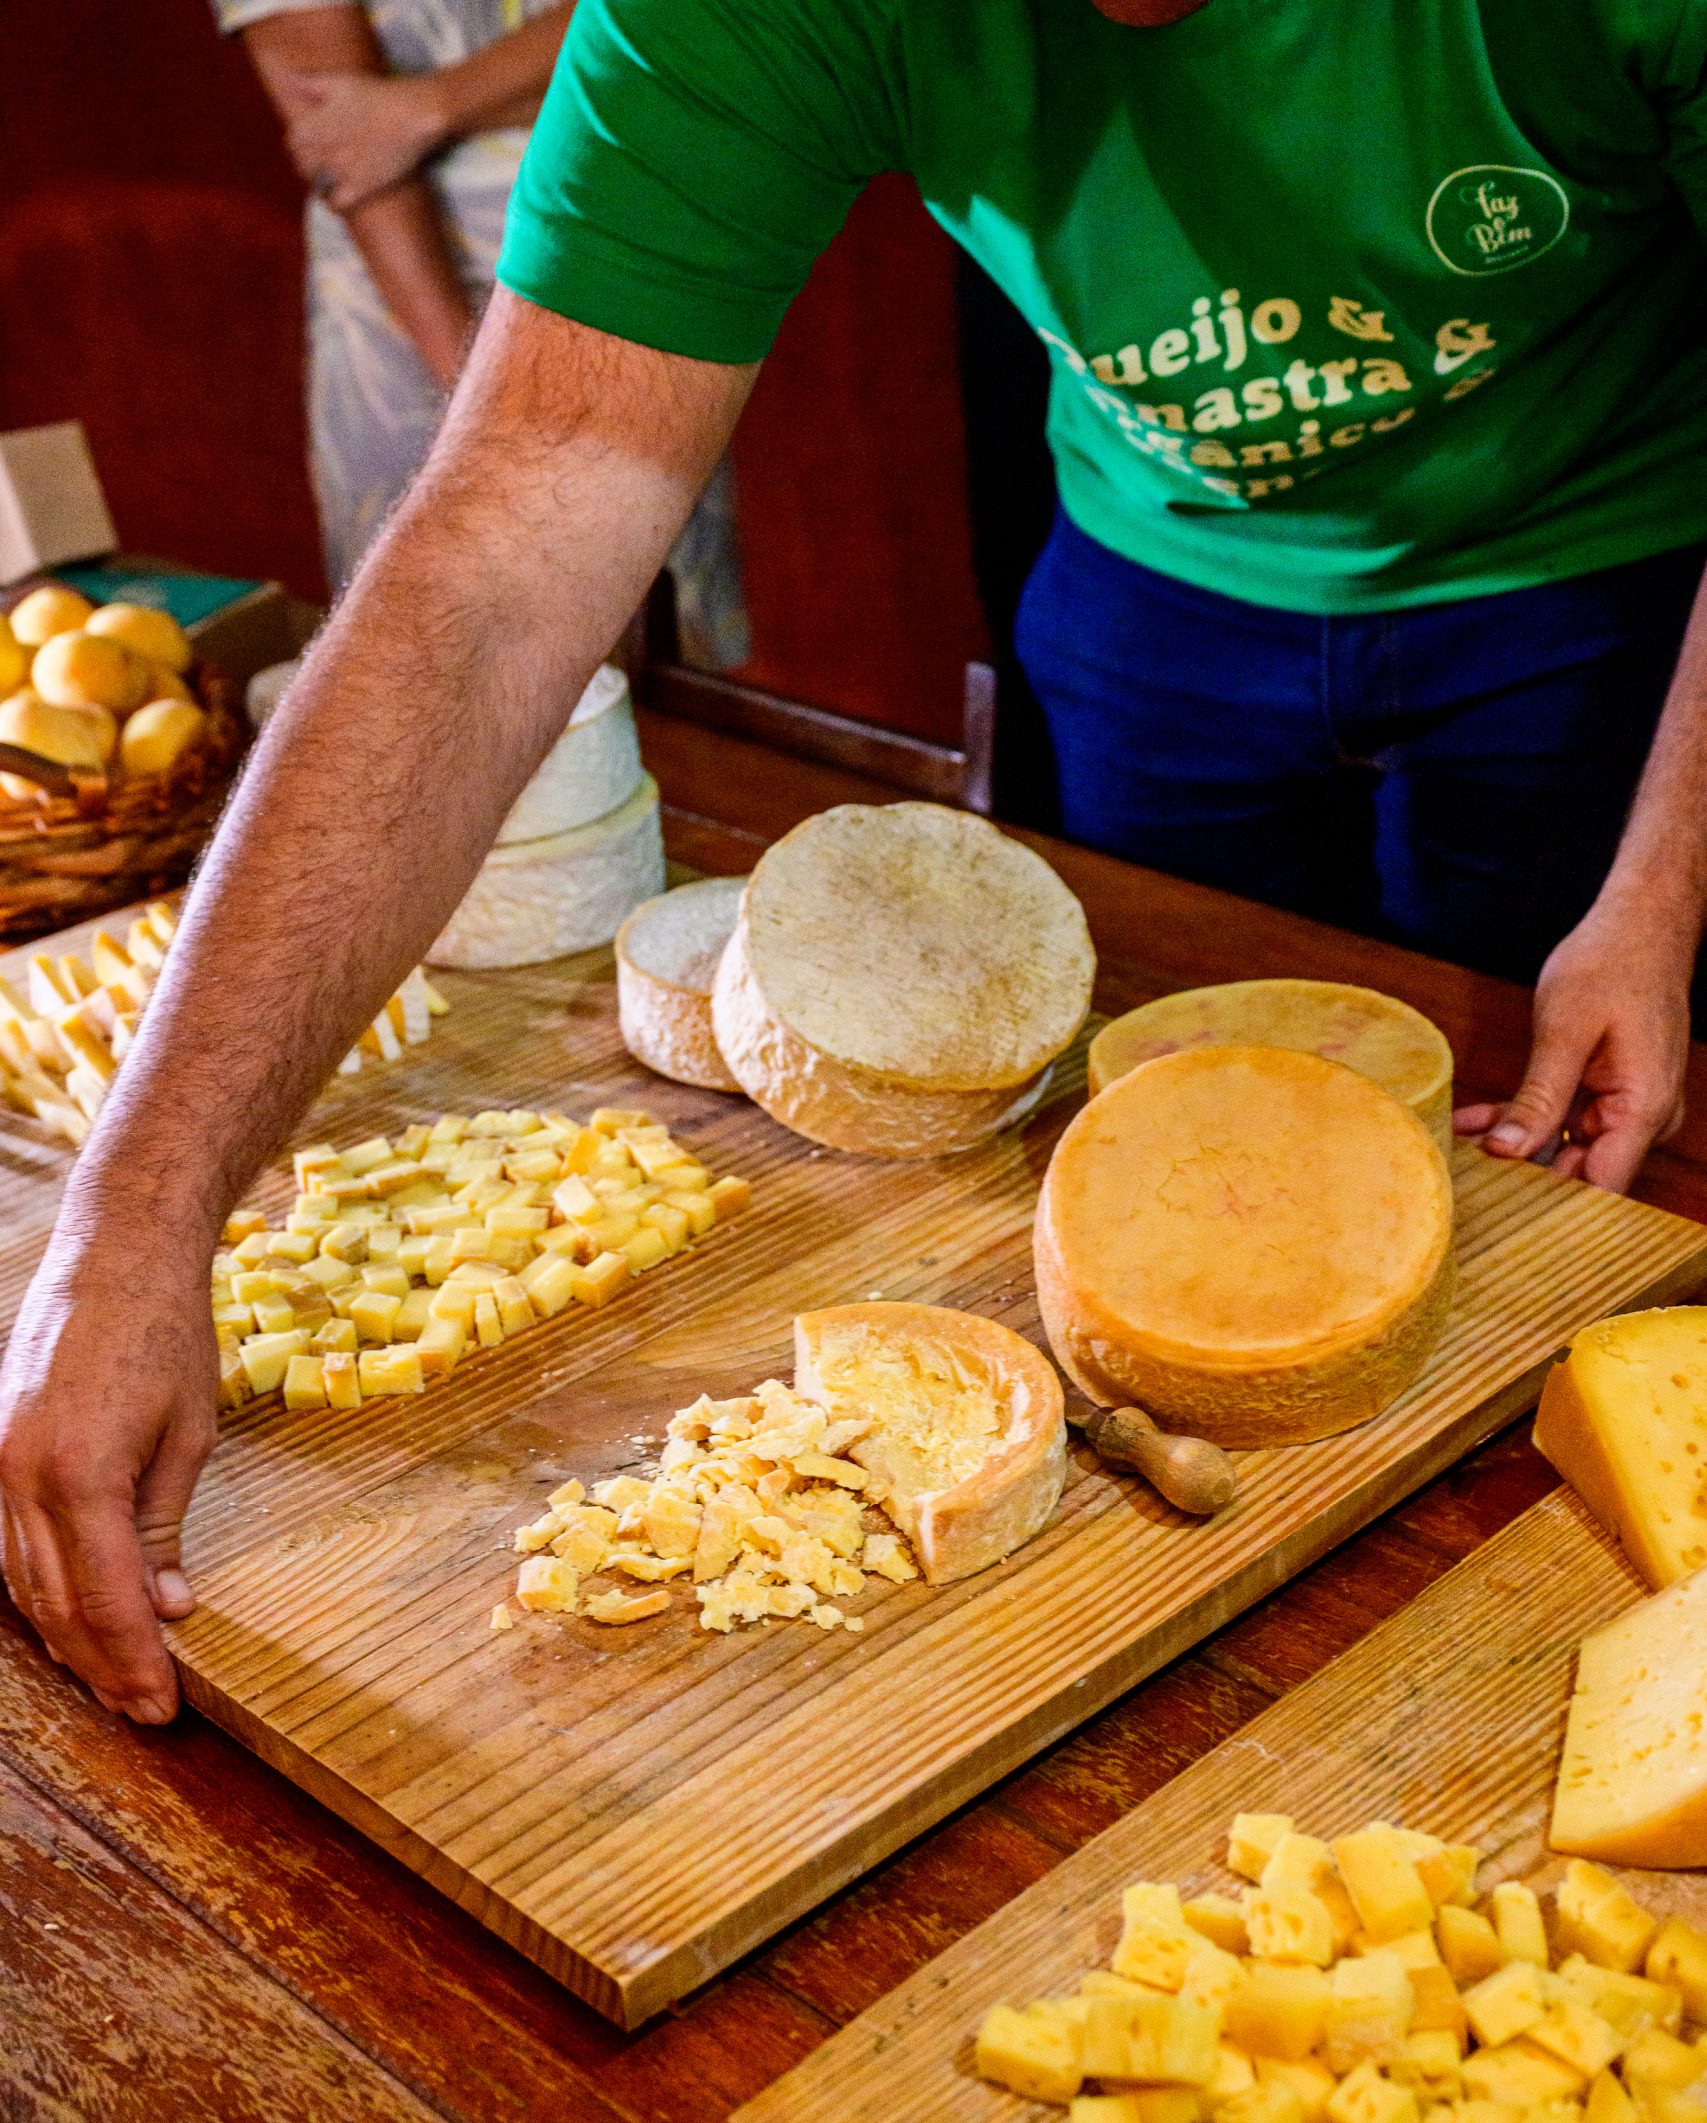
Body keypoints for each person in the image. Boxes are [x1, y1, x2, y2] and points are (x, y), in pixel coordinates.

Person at [9, 0, 1707, 1726]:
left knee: (1538, 1150)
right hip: (1161, 575)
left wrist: (1654, 903)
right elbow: (499, 547)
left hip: (1595, 566)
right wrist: (138, 1213)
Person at [215, 0, 746, 654]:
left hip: (625, 269)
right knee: (432, 672)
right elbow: (343, 140)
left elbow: (678, 25)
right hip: (408, 317)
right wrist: (487, 415)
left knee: (658, 657)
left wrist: (425, 108)